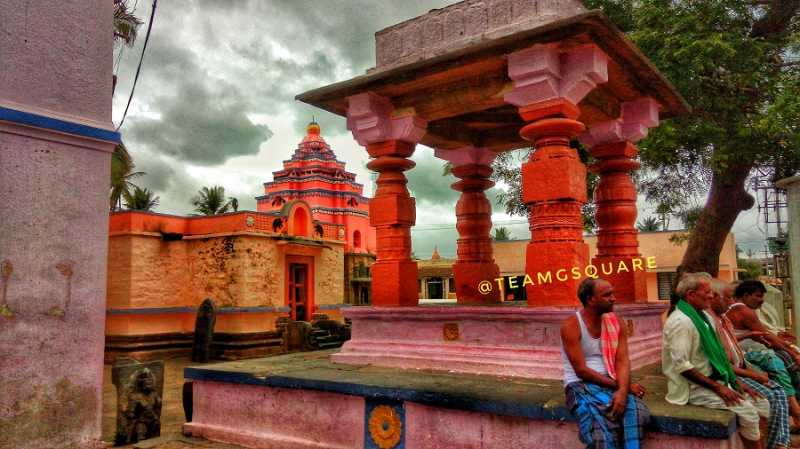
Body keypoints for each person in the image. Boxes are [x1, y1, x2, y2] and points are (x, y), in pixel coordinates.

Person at [663, 273, 768, 449]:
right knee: (748, 411)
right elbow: (683, 366)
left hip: (715, 380)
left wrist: (735, 382)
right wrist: (719, 388)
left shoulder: (705, 318)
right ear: (690, 295)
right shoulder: (681, 321)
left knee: (762, 403)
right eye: (707, 292)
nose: (712, 296)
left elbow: (718, 357)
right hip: (693, 388)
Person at [561, 278, 650, 449]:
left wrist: (622, 392)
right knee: (602, 426)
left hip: (611, 380)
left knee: (637, 414)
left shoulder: (617, 323)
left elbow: (622, 360)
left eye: (613, 293)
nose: (613, 298)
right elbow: (581, 371)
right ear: (590, 299)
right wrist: (623, 387)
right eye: (607, 295)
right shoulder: (571, 325)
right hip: (580, 384)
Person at [709, 279, 790, 449]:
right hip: (731, 375)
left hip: (741, 367)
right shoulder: (711, 322)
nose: (732, 302)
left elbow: (736, 345)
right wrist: (752, 375)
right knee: (772, 384)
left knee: (778, 390)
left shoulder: (722, 319)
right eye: (729, 298)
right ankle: (779, 441)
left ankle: (779, 442)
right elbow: (720, 363)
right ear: (713, 298)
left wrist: (747, 336)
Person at [726, 280, 800, 424]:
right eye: (758, 296)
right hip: (748, 355)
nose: (761, 301)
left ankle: (795, 413)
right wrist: (793, 353)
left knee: (787, 361)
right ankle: (795, 410)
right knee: (778, 363)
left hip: (752, 352)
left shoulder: (738, 309)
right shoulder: (743, 310)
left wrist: (788, 348)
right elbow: (766, 335)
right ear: (746, 295)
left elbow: (767, 335)